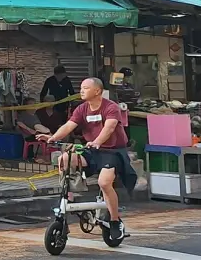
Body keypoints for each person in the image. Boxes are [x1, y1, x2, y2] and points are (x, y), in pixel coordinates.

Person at [37, 77, 137, 240]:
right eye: (81, 88)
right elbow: (69, 126)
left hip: (111, 151)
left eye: (85, 88)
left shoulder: (111, 107)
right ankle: (66, 199)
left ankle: (114, 220)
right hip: (91, 149)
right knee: (65, 159)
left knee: (104, 183)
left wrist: (97, 141)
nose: (81, 91)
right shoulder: (82, 108)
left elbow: (109, 127)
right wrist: (52, 137)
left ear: (97, 91)